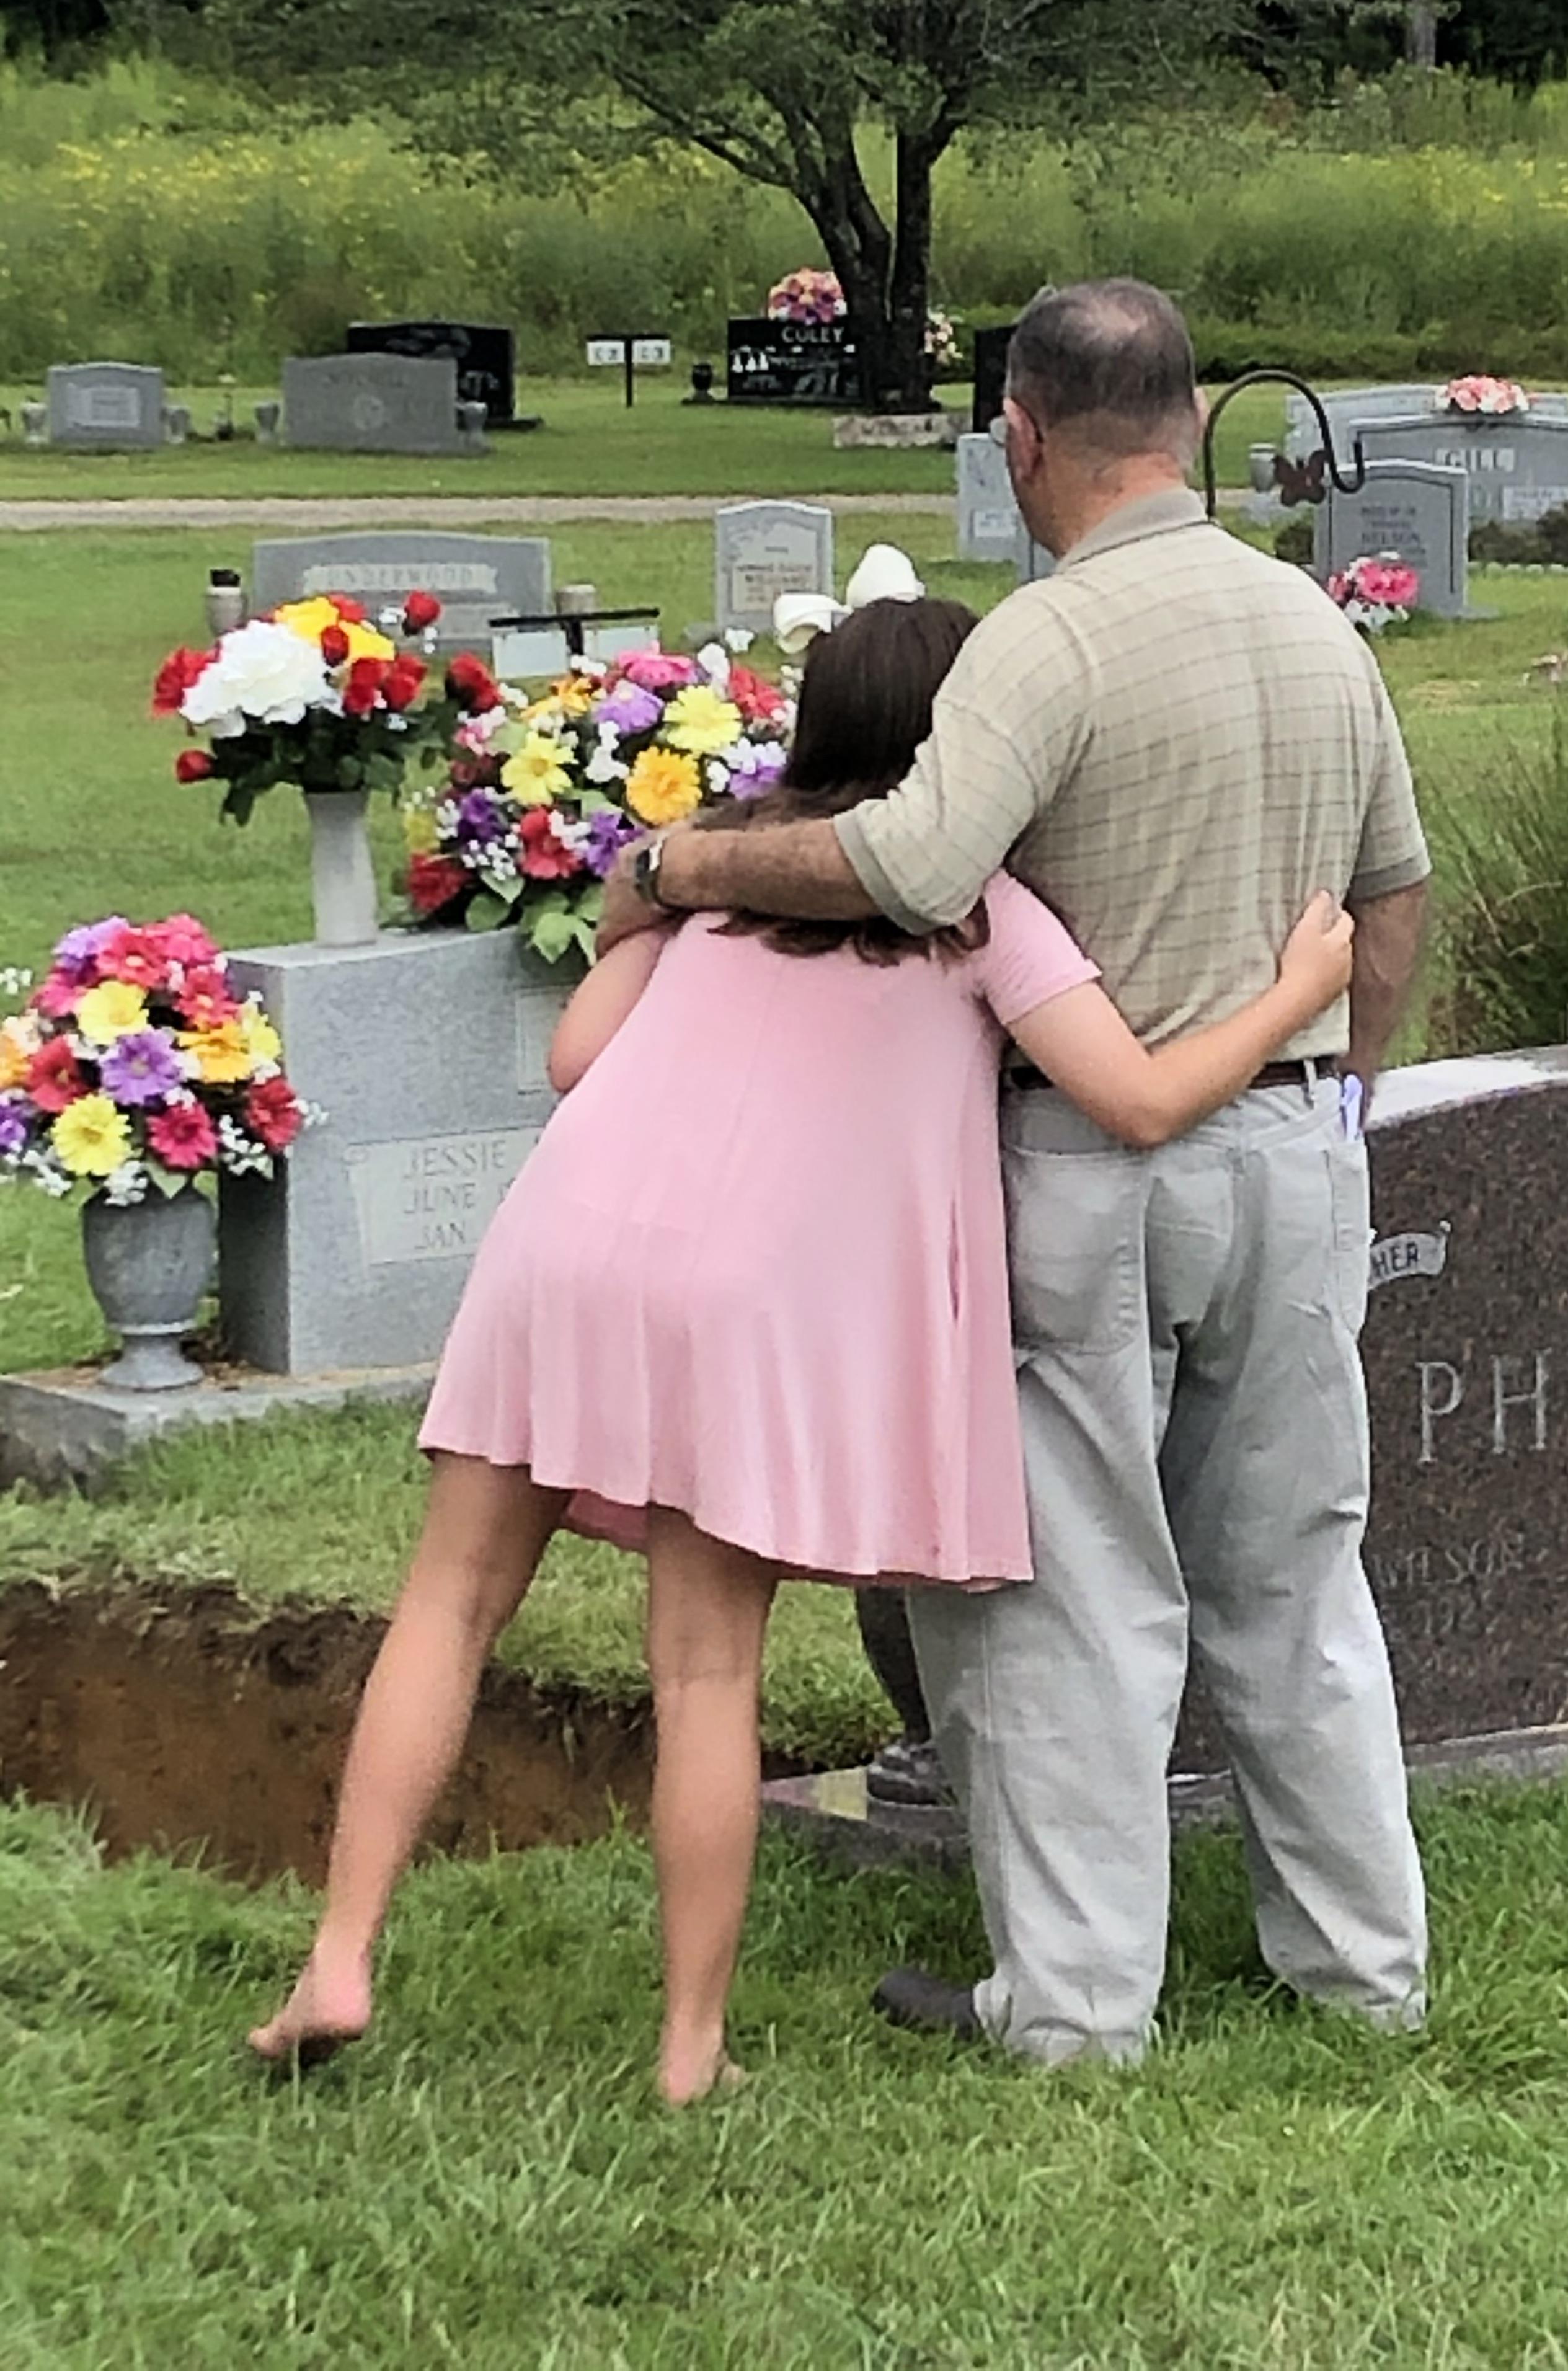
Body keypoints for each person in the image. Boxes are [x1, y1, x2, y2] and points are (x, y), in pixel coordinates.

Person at [249, 590, 1357, 2103]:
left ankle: (339, 1957)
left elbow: (576, 1059)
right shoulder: (982, 917)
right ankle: (690, 2048)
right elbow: (1142, 1101)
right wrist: (1299, 994)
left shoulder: (715, 869)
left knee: (448, 1605)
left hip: (561, 1248)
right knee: (707, 1672)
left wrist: (648, 911)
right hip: (745, 1298)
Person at [596, 278, 1435, 2064]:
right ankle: (1364, 1973)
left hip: (1094, 1158)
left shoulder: (1047, 639)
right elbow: (1395, 899)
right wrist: (1343, 1096)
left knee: (1068, 1598)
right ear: (1192, 423)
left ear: (1024, 435)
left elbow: (916, 864)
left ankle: (1073, 2005)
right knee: (1298, 1577)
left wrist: (689, 869)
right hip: (1296, 1143)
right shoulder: (1318, 625)